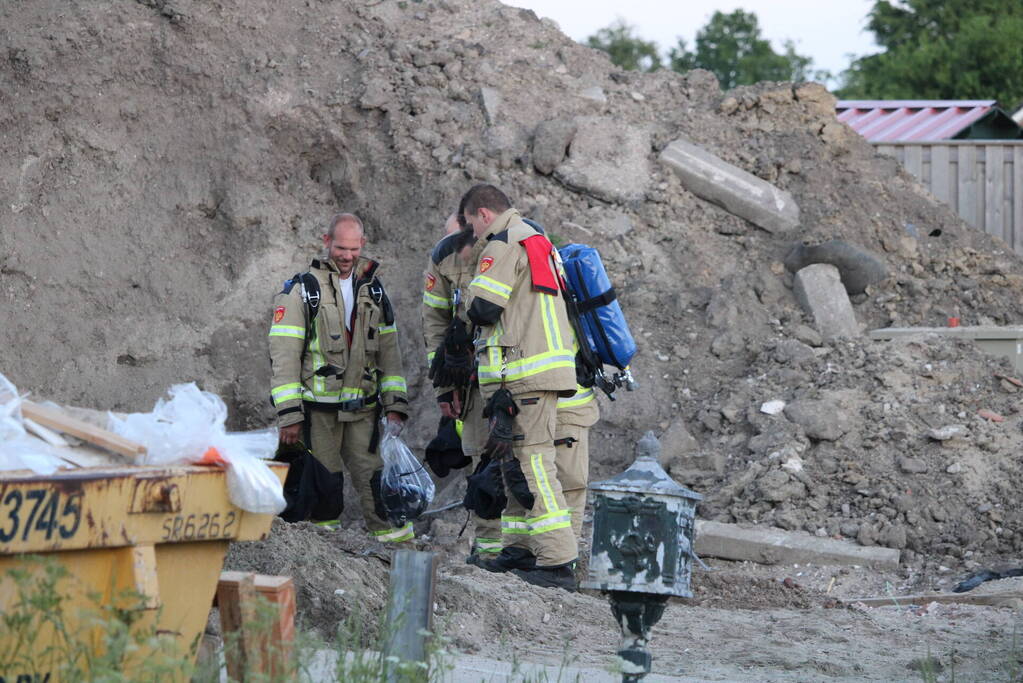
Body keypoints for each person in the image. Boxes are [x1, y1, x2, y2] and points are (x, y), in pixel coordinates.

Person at [460, 184, 579, 590]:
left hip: (524, 373)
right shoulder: (538, 241)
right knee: (516, 465)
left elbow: (483, 307)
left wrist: (467, 287)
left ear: (483, 215)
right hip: (539, 372)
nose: (473, 235)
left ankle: (558, 560)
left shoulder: (504, 242)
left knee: (534, 465)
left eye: (472, 226)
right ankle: (519, 549)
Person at [268, 213, 412, 543]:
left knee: (377, 484)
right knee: (324, 490)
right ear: (326, 241)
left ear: (362, 245)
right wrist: (289, 414)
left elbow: (390, 351)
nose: (346, 256)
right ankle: (329, 565)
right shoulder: (302, 291)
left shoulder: (374, 290)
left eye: (352, 248)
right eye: (340, 247)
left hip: (363, 409)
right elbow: (284, 355)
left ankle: (401, 555)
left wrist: (395, 405)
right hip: (318, 413)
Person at [421, 211, 499, 560]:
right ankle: (489, 554)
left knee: (507, 469)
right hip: (472, 394)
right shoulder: (450, 275)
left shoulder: (501, 265)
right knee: (482, 466)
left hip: (507, 390)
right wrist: (444, 389)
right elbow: (436, 330)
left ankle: (503, 555)